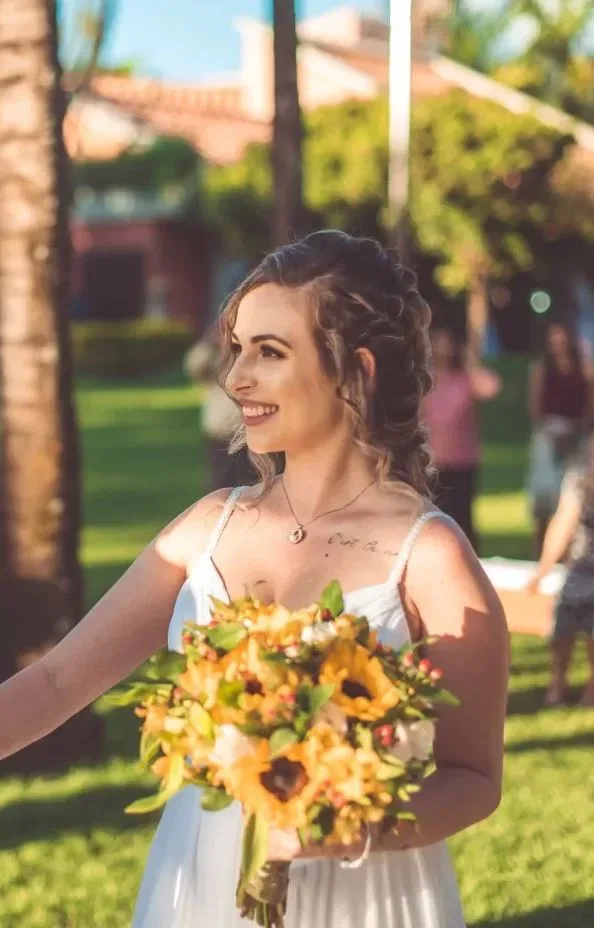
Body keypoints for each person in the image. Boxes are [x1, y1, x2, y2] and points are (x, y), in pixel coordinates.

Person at [0, 231, 509, 928]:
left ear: (354, 371)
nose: (236, 377)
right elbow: (58, 682)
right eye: (238, 349)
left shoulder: (428, 557)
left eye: (269, 352)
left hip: (362, 898)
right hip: (203, 881)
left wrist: (346, 831)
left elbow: (475, 780)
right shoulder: (204, 529)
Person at [527, 432, 594, 708]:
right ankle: (559, 686)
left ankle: (579, 690)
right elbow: (562, 526)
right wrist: (543, 570)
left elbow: (562, 525)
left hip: (581, 570)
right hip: (579, 568)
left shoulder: (579, 481)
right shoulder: (578, 483)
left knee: (580, 633)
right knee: (565, 631)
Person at [423, 327, 501, 553]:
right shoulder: (426, 381)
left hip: (463, 461)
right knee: (433, 519)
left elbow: (491, 387)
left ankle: (468, 562)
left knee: (462, 518)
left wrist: (470, 362)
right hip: (434, 463)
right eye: (439, 344)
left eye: (449, 345)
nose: (444, 350)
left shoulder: (465, 379)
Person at [527, 322, 592, 558]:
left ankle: (568, 550)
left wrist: (580, 429)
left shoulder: (582, 367)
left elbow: (588, 401)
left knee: (571, 496)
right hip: (549, 432)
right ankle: (540, 547)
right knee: (544, 494)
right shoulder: (543, 368)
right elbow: (535, 404)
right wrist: (547, 431)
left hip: (575, 434)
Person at [183, 326, 256, 492]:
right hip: (222, 434)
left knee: (256, 488)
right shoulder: (215, 354)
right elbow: (194, 368)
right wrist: (210, 343)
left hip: (252, 432)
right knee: (221, 488)